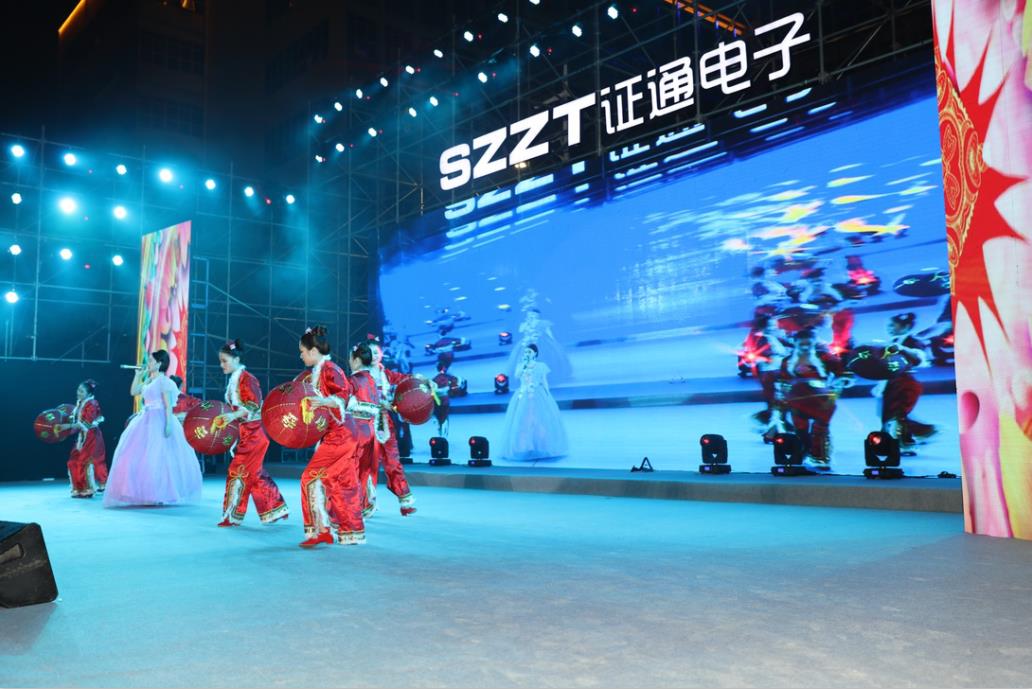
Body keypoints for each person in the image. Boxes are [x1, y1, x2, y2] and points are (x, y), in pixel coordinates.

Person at [297, 328, 380, 547]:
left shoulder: (330, 369)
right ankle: (351, 532)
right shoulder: (319, 371)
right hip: (344, 434)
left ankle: (319, 531)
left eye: (303, 351)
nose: (301, 355)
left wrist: (323, 402)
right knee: (342, 481)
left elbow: (343, 395)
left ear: (313, 351)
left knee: (309, 478)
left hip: (340, 435)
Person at [103, 351, 203, 507]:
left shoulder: (164, 382)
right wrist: (138, 376)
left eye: (150, 361)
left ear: (159, 363)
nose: (148, 363)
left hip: (159, 419)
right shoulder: (149, 380)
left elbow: (168, 405)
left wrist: (168, 424)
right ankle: (145, 493)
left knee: (160, 457)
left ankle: (161, 493)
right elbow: (133, 391)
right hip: (145, 419)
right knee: (141, 456)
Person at [215, 339, 289, 527]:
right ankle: (275, 509)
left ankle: (232, 516)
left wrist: (232, 416)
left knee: (237, 471)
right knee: (254, 474)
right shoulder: (236, 379)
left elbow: (253, 405)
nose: (221, 365)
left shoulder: (247, 379)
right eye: (221, 361)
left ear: (236, 359)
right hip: (247, 433)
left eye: (224, 361)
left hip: (255, 434)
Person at [775, 330, 849, 470]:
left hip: (822, 401)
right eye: (801, 344)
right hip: (797, 402)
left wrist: (835, 391)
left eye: (808, 343)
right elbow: (783, 383)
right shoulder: (787, 361)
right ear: (795, 343)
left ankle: (820, 458)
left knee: (820, 429)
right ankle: (801, 456)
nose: (805, 347)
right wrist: (782, 401)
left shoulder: (824, 357)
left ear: (814, 342)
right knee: (800, 431)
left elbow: (844, 374)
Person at [361, 340, 416, 518]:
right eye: (370, 352)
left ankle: (405, 502)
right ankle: (366, 503)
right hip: (365, 424)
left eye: (377, 352)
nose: (374, 356)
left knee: (393, 462)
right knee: (366, 466)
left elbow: (405, 379)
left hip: (385, 424)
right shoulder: (360, 376)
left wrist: (420, 380)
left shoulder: (386, 374)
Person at [499, 344, 568, 461]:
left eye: (529, 352)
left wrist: (547, 393)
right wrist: (524, 365)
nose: (527, 354)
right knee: (523, 420)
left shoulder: (541, 366)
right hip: (523, 394)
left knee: (540, 419)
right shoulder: (521, 365)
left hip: (538, 394)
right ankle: (524, 447)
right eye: (526, 352)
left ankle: (541, 446)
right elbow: (517, 376)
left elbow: (544, 381)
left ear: (535, 353)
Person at [877, 313, 936, 448]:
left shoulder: (913, 342)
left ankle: (909, 440)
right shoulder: (892, 342)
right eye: (889, 325)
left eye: (893, 325)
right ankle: (920, 434)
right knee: (890, 415)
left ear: (906, 327)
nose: (889, 328)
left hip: (905, 383)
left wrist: (903, 349)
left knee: (896, 415)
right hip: (892, 383)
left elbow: (919, 358)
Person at [59, 379, 106, 498]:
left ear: (89, 393)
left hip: (92, 436)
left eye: (81, 391)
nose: (78, 393)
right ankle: (78, 488)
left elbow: (86, 424)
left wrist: (68, 426)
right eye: (78, 390)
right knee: (72, 461)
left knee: (84, 462)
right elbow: (78, 423)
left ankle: (88, 489)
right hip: (82, 436)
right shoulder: (80, 403)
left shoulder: (92, 404)